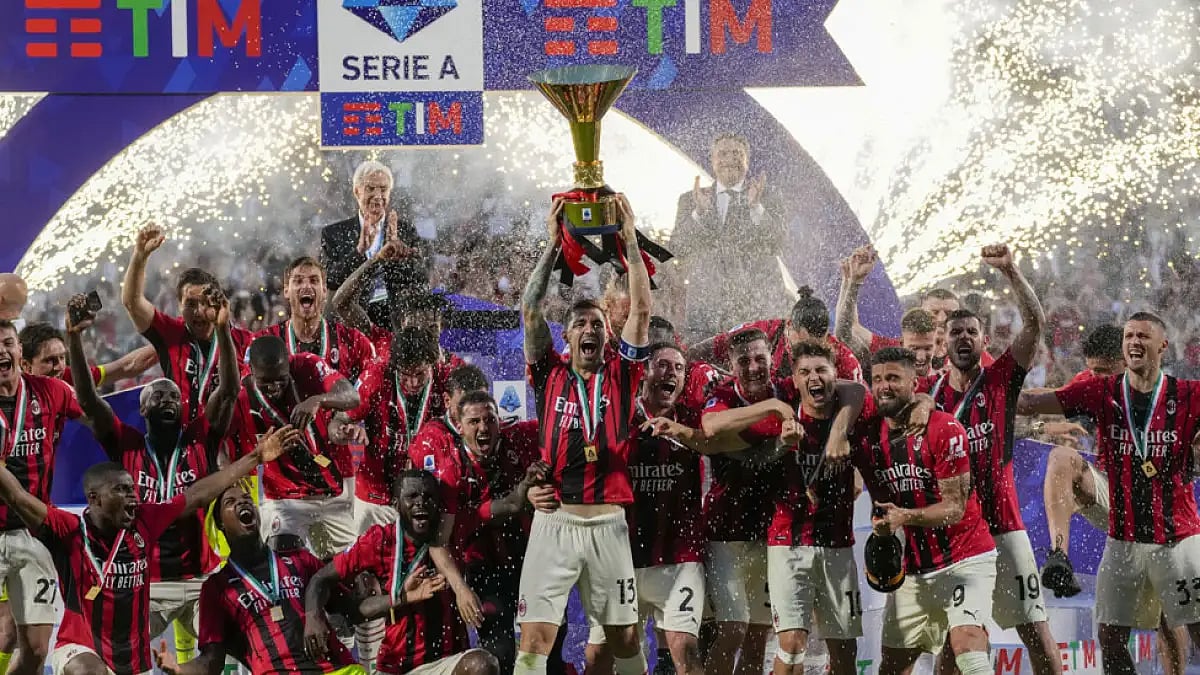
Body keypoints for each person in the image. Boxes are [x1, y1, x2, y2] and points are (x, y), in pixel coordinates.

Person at [0, 425, 295, 675]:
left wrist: (255, 457)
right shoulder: (68, 530)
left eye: (132, 488)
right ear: (94, 498)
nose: (132, 497)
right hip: (81, 649)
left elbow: (196, 495)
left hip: (134, 662)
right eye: (121, 490)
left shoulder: (144, 520)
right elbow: (18, 497)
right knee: (89, 672)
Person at [1017, 312, 1200, 674]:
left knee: (1173, 619)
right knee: (1110, 636)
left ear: (1162, 345)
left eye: (1143, 336)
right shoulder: (1096, 387)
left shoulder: (1187, 395)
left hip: (1172, 528)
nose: (1135, 342)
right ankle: (1058, 554)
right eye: (1129, 336)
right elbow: (1031, 401)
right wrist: (995, 387)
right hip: (1119, 514)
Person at [515, 195, 651, 675]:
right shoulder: (547, 373)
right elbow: (529, 308)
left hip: (609, 523)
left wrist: (630, 239)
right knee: (534, 640)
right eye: (579, 324)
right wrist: (554, 243)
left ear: (607, 336)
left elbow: (641, 309)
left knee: (625, 639)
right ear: (567, 337)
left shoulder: (622, 374)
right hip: (555, 521)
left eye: (597, 323)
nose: (589, 328)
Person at [66, 287, 243, 652]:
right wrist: (75, 338)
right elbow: (88, 400)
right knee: (117, 653)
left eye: (174, 396)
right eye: (158, 396)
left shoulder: (200, 439)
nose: (168, 400)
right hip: (148, 580)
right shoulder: (126, 444)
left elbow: (228, 392)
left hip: (201, 578)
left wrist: (224, 329)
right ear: (143, 409)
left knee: (235, 646)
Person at [919, 244, 1059, 674]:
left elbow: (1035, 323)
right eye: (955, 333)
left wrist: (1012, 271)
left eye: (970, 332)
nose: (963, 338)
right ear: (943, 343)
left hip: (1003, 527)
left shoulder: (1000, 380)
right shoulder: (927, 396)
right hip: (956, 534)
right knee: (953, 644)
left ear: (984, 341)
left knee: (1036, 634)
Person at [701, 331, 866, 675]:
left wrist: (838, 432)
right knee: (733, 631)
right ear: (730, 364)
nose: (753, 367)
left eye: (760, 359)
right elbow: (710, 426)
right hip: (727, 532)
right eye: (743, 361)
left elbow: (854, 389)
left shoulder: (789, 388)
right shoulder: (726, 396)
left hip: (769, 533)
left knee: (757, 638)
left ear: (772, 361)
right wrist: (774, 409)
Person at [855, 347, 996, 675]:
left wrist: (904, 517)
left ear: (914, 383)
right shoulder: (868, 434)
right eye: (878, 379)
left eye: (893, 378)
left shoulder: (945, 428)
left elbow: (954, 508)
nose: (884, 386)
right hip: (914, 570)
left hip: (965, 559)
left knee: (969, 652)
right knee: (892, 668)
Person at [586, 344, 711, 675]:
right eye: (663, 365)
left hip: (680, 558)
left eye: (679, 368)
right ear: (644, 371)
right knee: (598, 657)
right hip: (622, 558)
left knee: (686, 651)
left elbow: (719, 438)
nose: (672, 373)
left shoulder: (693, 417)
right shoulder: (619, 415)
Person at [154, 483, 368, 675]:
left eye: (247, 498)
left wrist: (384, 594)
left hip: (339, 670)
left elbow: (352, 609)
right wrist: (179, 669)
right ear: (220, 523)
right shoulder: (217, 588)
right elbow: (211, 662)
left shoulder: (299, 559)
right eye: (231, 502)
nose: (242, 502)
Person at [304, 470, 500, 675]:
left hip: (448, 663)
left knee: (481, 665)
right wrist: (313, 617)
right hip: (397, 667)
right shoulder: (379, 540)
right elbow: (321, 579)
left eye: (429, 497)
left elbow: (504, 507)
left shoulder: (452, 534)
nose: (421, 502)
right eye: (412, 496)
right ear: (396, 504)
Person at [412, 391, 551, 673]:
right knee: (499, 653)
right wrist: (460, 589)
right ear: (459, 426)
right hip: (484, 570)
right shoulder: (451, 471)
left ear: (500, 421)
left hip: (532, 561)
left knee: (547, 649)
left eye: (490, 419)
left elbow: (559, 431)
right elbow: (438, 542)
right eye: (474, 421)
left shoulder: (520, 439)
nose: (483, 428)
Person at [767, 340, 866, 675]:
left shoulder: (850, 416)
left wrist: (839, 432)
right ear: (793, 379)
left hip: (837, 545)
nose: (814, 378)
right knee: (792, 644)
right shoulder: (782, 415)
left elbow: (858, 389)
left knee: (844, 652)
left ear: (835, 374)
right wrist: (779, 443)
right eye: (805, 372)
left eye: (822, 370)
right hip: (788, 545)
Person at [0, 319, 81, 675]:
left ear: (19, 350)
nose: (2, 351)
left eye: (8, 343)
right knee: (4, 633)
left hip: (33, 531)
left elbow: (96, 414)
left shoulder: (52, 391)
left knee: (35, 648)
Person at [236, 336, 360, 556]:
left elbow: (352, 397)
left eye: (281, 379)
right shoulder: (242, 395)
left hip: (332, 494)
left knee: (352, 567)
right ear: (251, 370)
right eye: (266, 381)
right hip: (283, 501)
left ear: (289, 364)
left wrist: (318, 400)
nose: (274, 387)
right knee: (285, 557)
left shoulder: (307, 364)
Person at [121, 224, 255, 425]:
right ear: (179, 305)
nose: (199, 311)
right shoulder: (173, 333)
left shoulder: (245, 341)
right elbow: (132, 302)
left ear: (217, 301)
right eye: (190, 304)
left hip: (230, 438)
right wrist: (140, 256)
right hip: (185, 439)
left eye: (205, 302)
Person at [670, 133, 790, 341]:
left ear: (747, 161)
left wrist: (756, 207)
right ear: (712, 160)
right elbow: (678, 247)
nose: (730, 159)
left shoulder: (768, 197)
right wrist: (699, 213)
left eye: (737, 153)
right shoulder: (691, 199)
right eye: (723, 153)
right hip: (706, 313)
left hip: (756, 311)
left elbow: (779, 243)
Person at [346, 327, 450, 532]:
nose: (413, 382)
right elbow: (341, 419)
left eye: (420, 373)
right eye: (406, 374)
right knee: (365, 551)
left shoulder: (445, 377)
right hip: (375, 494)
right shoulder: (377, 374)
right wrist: (345, 429)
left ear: (432, 363)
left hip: (426, 495)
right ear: (395, 367)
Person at [835, 246, 986, 369]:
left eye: (949, 313)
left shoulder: (975, 358)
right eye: (934, 312)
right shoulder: (895, 351)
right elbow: (847, 331)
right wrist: (851, 281)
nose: (941, 318)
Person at [321, 161, 427, 331]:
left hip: (394, 324)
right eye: (370, 188)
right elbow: (331, 280)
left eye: (383, 189)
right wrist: (359, 251)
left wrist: (397, 256)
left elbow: (421, 277)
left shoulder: (405, 231)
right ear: (357, 191)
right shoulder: (334, 233)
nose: (378, 195)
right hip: (350, 322)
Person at [691, 287, 862, 383]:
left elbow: (860, 404)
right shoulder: (763, 331)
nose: (808, 353)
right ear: (789, 326)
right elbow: (698, 352)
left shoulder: (844, 360)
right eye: (803, 345)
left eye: (817, 348)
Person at [253, 256, 376, 383]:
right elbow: (251, 390)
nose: (306, 286)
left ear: (324, 290)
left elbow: (373, 385)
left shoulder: (352, 340)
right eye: (298, 281)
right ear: (286, 291)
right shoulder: (263, 343)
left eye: (314, 281)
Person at [19, 321, 156, 387]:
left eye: (62, 357)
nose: (59, 367)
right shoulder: (14, 397)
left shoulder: (68, 377)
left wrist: (164, 342)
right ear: (26, 365)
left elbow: (126, 367)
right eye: (49, 360)